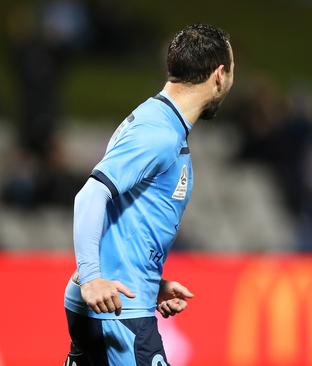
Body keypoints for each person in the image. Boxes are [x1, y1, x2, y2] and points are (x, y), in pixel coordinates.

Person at [63, 24, 234, 365]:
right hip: (118, 311)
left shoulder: (157, 119)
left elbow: (125, 212)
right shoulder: (158, 134)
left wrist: (150, 284)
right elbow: (90, 195)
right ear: (218, 75)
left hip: (118, 299)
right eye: (232, 72)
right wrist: (93, 278)